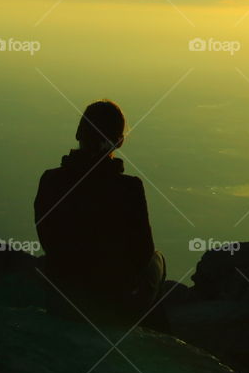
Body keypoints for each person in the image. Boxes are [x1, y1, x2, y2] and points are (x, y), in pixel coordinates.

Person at [34, 100, 165, 326]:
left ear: (78, 133)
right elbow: (144, 252)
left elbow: (48, 240)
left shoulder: (50, 180)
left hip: (63, 302)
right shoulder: (130, 188)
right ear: (119, 141)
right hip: (114, 304)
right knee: (157, 260)